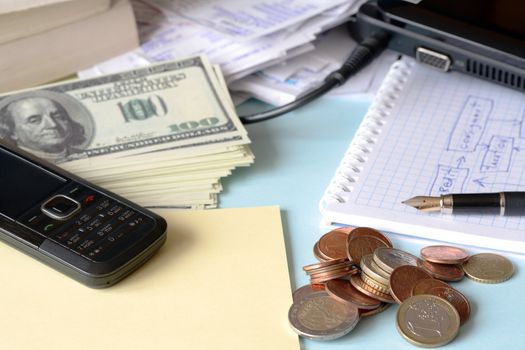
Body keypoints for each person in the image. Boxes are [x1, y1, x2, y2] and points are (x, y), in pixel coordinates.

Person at [0, 96, 87, 162]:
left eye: (58, 117)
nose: (53, 124)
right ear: (12, 132)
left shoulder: (84, 155)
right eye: (34, 120)